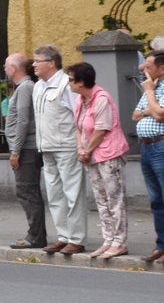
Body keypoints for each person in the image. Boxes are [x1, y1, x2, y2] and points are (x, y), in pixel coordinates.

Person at [67, 62, 129, 259]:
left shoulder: (101, 98)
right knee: (101, 199)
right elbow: (78, 127)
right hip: (91, 156)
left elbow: (101, 129)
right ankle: (108, 239)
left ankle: (120, 242)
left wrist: (87, 150)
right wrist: (80, 148)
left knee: (114, 199)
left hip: (108, 154)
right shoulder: (81, 100)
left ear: (81, 82)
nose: (68, 83)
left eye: (70, 80)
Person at [32, 45, 89, 255]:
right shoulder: (38, 86)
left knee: (73, 194)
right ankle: (63, 237)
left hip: (66, 147)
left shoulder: (66, 84)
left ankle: (77, 238)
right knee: (55, 195)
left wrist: (81, 144)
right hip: (47, 147)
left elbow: (79, 116)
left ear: (51, 63)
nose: (34, 64)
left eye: (38, 61)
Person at [3, 52, 47, 249]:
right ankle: (36, 234)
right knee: (28, 191)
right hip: (26, 148)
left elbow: (23, 121)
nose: (5, 69)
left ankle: (35, 236)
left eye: (6, 65)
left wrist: (15, 150)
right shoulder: (27, 87)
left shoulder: (25, 88)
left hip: (26, 149)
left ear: (14, 68)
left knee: (27, 192)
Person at [133, 52, 164, 264]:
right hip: (146, 147)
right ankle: (161, 245)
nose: (144, 70)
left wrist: (150, 95)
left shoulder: (150, 88)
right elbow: (135, 115)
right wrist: (150, 109)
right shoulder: (150, 87)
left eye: (149, 67)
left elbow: (161, 115)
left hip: (161, 146)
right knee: (156, 200)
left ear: (162, 68)